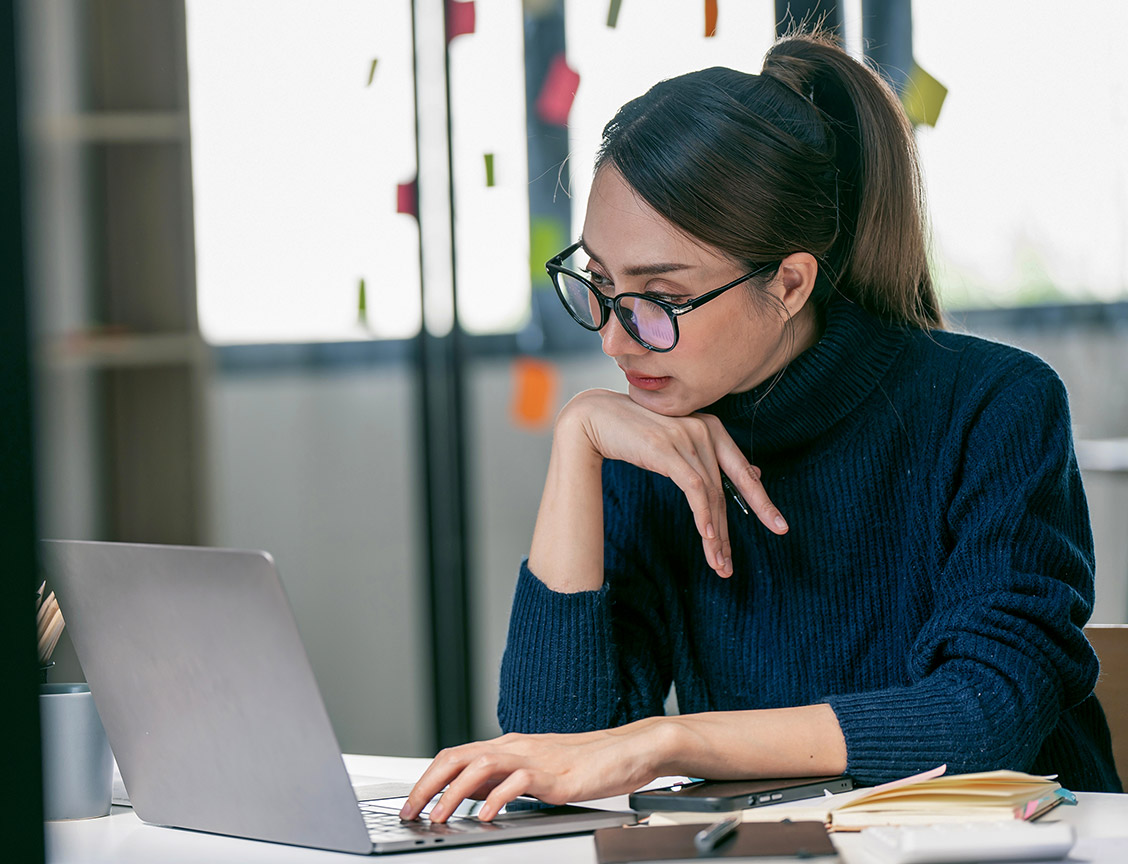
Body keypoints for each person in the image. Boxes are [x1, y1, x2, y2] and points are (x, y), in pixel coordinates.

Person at [400, 29, 1121, 824]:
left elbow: (985, 716)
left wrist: (669, 742)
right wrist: (577, 446)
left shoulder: (996, 404)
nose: (613, 338)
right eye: (600, 284)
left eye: (661, 298)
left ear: (788, 283)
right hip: (782, 848)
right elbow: (557, 746)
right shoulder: (651, 438)